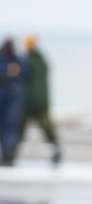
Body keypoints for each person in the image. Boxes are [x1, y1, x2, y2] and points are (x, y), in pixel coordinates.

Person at [17, 35, 61, 165]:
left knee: (19, 129)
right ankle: (55, 149)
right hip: (42, 102)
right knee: (47, 129)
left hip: (28, 102)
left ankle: (11, 152)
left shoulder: (24, 61)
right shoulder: (43, 61)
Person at [0, 39, 26, 166]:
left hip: (11, 100)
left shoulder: (17, 61)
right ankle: (6, 154)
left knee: (10, 127)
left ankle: (8, 154)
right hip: (5, 99)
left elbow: (22, 75)